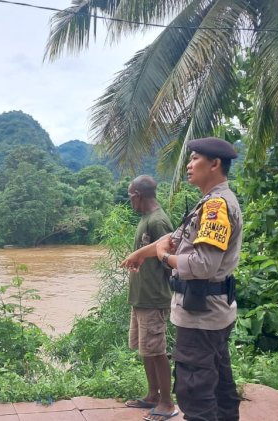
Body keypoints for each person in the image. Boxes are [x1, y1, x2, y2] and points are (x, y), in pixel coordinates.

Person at [122, 137, 242, 421]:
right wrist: (144, 252)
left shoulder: (216, 207)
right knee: (219, 383)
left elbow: (202, 265)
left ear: (214, 164)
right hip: (209, 312)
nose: (188, 165)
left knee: (195, 391)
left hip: (201, 315)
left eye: (195, 159)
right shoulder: (208, 203)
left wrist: (163, 258)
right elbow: (172, 239)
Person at [123, 175, 176, 421]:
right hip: (141, 298)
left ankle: (167, 402)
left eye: (130, 196)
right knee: (146, 350)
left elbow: (170, 260)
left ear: (137, 194)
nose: (130, 201)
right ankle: (152, 395)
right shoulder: (146, 219)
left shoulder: (158, 221)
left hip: (153, 298)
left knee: (157, 351)